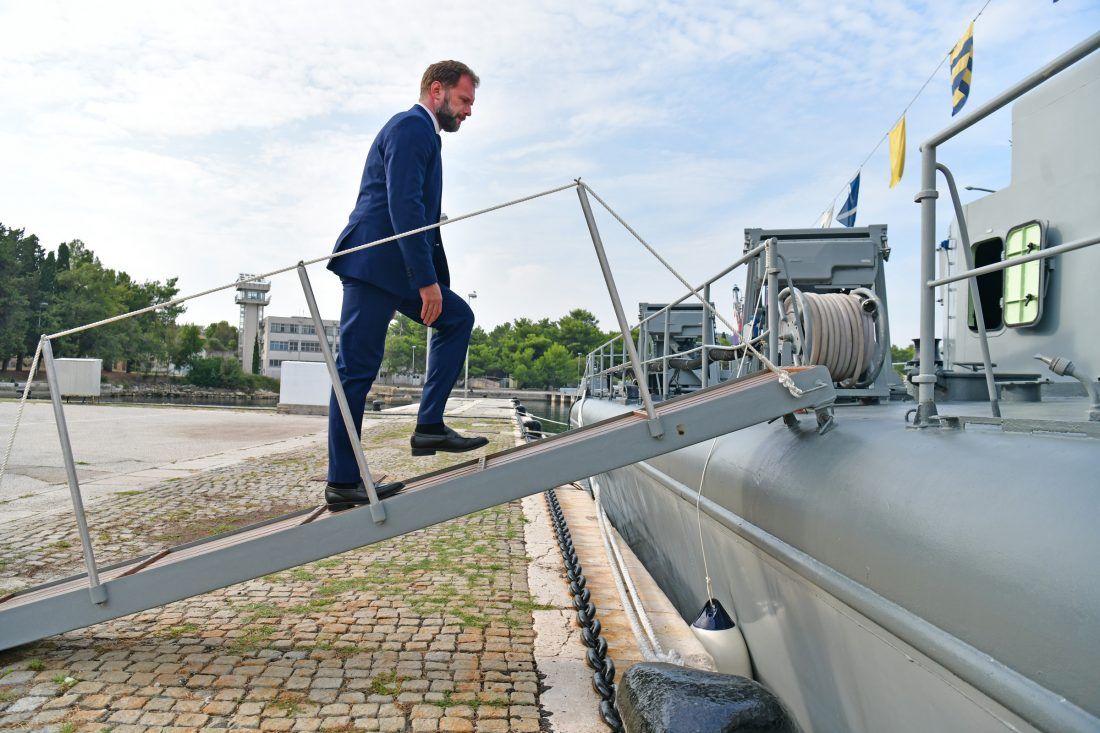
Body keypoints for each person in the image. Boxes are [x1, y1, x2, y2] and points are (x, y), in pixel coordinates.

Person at [324, 60, 488, 511]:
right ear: (437, 91)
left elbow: (423, 218)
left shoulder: (426, 136)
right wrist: (426, 282)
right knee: (354, 373)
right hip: (374, 262)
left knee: (455, 319)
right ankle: (342, 481)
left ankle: (429, 425)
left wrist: (434, 284)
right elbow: (405, 207)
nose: (469, 111)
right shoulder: (411, 126)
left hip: (396, 269)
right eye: (464, 100)